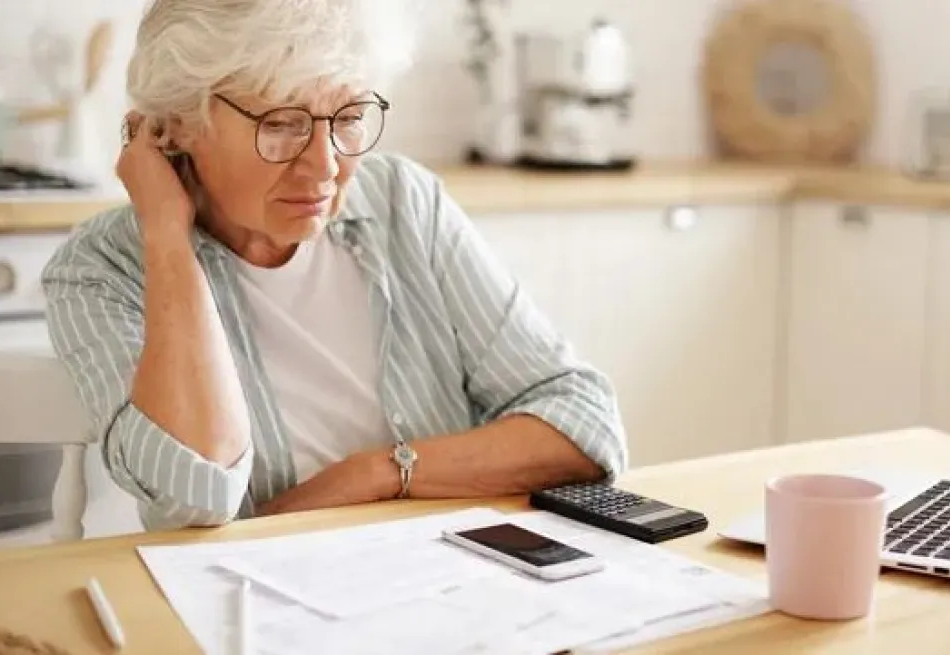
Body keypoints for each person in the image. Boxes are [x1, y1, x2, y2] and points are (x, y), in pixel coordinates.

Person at [42, 0, 628, 532]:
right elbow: (196, 494)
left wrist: (375, 474)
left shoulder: (403, 203)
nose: (324, 165)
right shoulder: (101, 269)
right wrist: (168, 237)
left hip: (442, 572)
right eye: (280, 124)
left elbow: (584, 425)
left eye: (348, 117)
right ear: (175, 124)